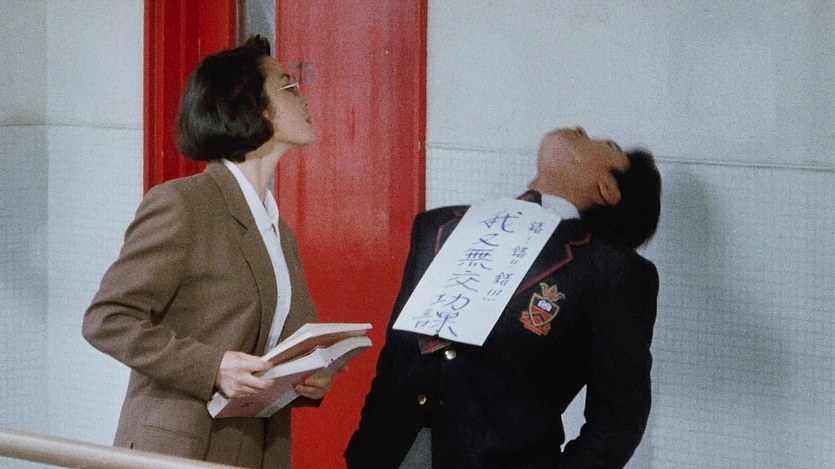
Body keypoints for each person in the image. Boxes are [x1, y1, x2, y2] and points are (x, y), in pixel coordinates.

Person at [83, 35, 336, 468]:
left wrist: (310, 377)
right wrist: (213, 367)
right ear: (252, 107)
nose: (304, 98)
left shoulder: (278, 229)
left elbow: (278, 346)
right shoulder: (183, 204)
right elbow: (107, 319)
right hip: (180, 449)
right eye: (289, 87)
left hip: (259, 451)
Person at [344, 126, 662, 468]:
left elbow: (619, 420)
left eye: (605, 145)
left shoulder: (610, 271)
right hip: (389, 454)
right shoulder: (439, 226)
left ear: (607, 189)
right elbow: (398, 354)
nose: (579, 130)